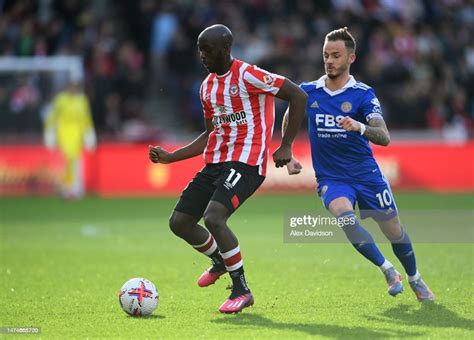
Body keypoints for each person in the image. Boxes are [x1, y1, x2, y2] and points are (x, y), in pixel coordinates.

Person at [149, 24, 307, 313]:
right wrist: (172, 157)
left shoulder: (249, 75)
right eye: (200, 50)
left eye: (207, 50)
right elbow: (211, 133)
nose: (202, 56)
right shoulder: (206, 87)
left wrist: (285, 145)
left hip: (247, 163)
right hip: (216, 163)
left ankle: (241, 289)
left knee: (214, 217)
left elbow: (298, 96)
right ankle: (220, 259)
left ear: (225, 49)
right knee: (180, 223)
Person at [285, 27, 434, 302]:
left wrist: (360, 127)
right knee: (344, 215)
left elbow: (384, 137)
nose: (329, 61)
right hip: (332, 177)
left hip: (367, 176)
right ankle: (387, 269)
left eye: (336, 55)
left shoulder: (363, 95)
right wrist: (287, 148)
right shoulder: (308, 92)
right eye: (326, 55)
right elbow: (290, 115)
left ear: (351, 58)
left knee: (394, 231)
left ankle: (414, 277)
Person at [44, 80, 96, 199]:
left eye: (75, 88)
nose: (73, 90)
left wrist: (89, 134)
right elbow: (52, 117)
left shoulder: (82, 101)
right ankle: (66, 188)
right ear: (67, 88)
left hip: (77, 136)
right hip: (63, 135)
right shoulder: (60, 100)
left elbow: (86, 118)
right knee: (66, 162)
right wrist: (50, 133)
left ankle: (75, 188)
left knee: (76, 162)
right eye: (71, 87)